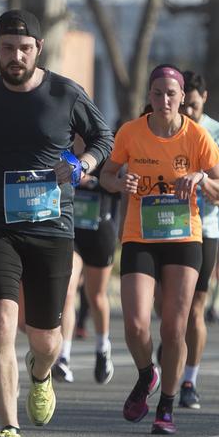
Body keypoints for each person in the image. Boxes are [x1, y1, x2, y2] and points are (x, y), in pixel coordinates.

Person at [0, 9, 112, 437]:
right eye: (8, 48)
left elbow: (102, 139)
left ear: (39, 50)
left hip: (52, 228)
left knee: (45, 339)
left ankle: (42, 373)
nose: (17, 56)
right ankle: (8, 429)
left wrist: (81, 164)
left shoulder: (65, 93)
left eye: (25, 48)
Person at [100, 66, 219, 435]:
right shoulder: (130, 132)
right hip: (140, 236)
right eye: (157, 94)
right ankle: (147, 374)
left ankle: (167, 406)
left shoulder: (197, 137)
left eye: (172, 94)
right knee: (136, 323)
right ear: (150, 95)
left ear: (182, 96)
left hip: (183, 239)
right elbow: (107, 177)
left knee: (174, 328)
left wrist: (201, 178)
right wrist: (119, 181)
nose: (165, 101)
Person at [178, 71, 219, 408]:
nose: (187, 112)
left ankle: (189, 379)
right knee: (167, 308)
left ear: (204, 99)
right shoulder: (161, 127)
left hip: (205, 229)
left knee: (195, 310)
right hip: (163, 229)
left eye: (193, 105)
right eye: (182, 105)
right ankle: (173, 344)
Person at [68, 135, 120, 384]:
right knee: (67, 289)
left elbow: (119, 184)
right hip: (71, 229)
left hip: (100, 230)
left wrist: (94, 181)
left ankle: (102, 348)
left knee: (96, 295)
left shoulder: (104, 146)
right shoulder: (61, 145)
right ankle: (63, 356)